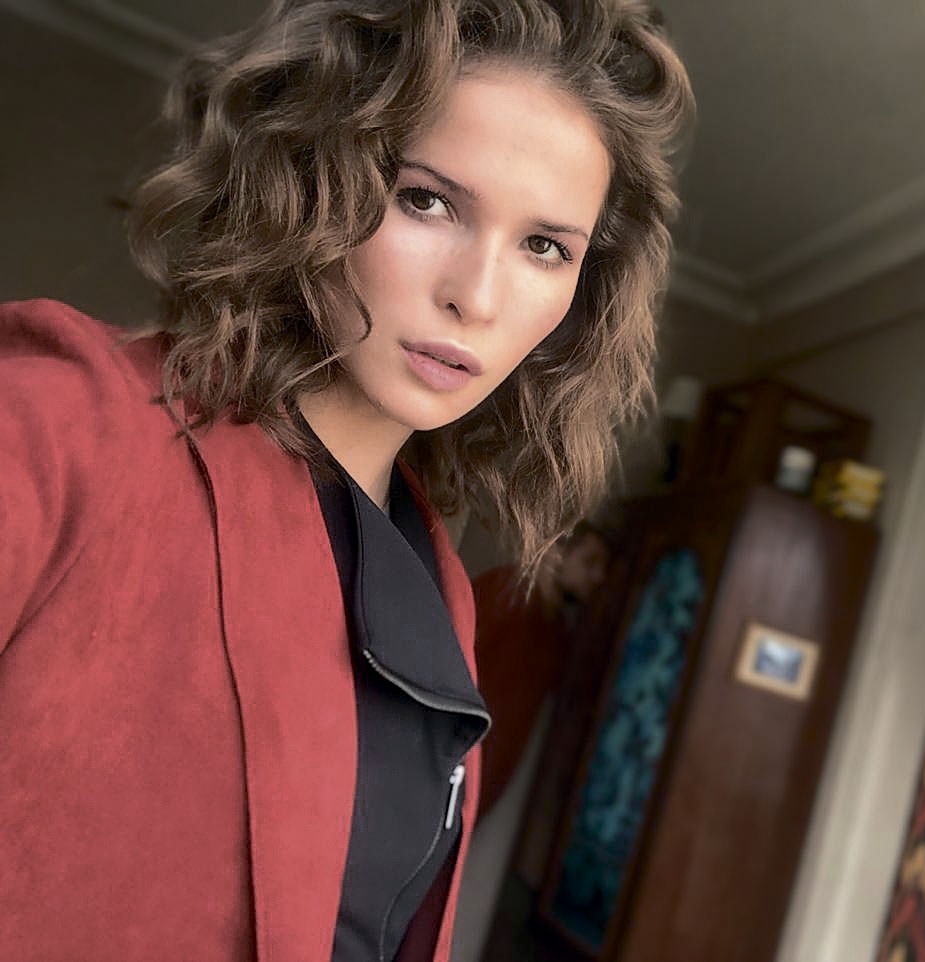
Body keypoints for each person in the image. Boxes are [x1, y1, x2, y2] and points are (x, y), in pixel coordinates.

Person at [0, 0, 692, 959]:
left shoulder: (434, 589)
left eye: (545, 247)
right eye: (428, 201)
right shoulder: (63, 427)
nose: (476, 295)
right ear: (313, 177)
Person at [474, 522, 612, 819]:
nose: (599, 577)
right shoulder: (505, 590)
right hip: (445, 764)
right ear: (555, 552)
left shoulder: (557, 633)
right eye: (589, 562)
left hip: (480, 788)